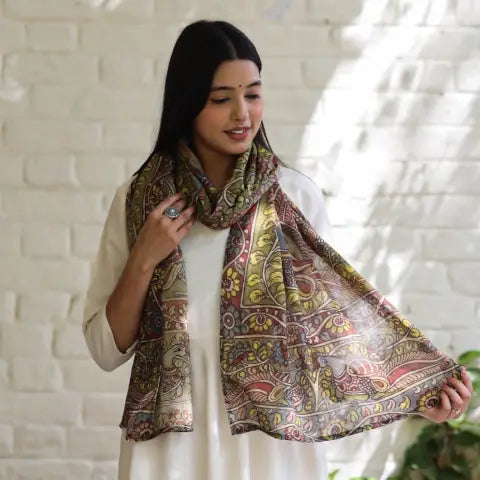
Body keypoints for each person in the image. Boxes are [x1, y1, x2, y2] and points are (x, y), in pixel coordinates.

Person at [83, 20, 472, 480]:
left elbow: (332, 334)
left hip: (273, 450)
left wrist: (415, 394)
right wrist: (145, 257)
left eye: (252, 94)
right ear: (188, 102)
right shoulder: (140, 202)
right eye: (221, 99)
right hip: (169, 454)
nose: (242, 114)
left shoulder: (295, 198)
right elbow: (106, 350)